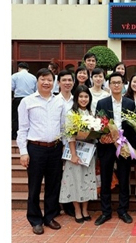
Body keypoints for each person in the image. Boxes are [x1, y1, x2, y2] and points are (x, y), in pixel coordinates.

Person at [16, 68, 66, 235]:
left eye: (49, 80)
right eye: (43, 79)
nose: (46, 82)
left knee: (53, 185)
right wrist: (23, 151)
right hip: (35, 148)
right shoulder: (27, 101)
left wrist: (65, 148)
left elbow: (63, 126)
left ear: (54, 82)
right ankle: (35, 219)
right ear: (37, 81)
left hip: (55, 148)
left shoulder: (59, 101)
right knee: (35, 185)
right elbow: (22, 129)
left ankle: (50, 216)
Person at [94, 72, 136, 226]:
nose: (116, 85)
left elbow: (132, 126)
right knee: (106, 178)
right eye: (113, 82)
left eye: (119, 82)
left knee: (124, 177)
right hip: (107, 146)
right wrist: (106, 137)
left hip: (124, 145)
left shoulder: (129, 103)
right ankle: (106, 212)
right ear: (109, 85)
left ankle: (123, 210)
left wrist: (135, 146)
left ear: (123, 85)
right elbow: (99, 125)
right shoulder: (102, 103)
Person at [59, 85, 97, 223]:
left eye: (86, 96)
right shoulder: (71, 114)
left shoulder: (92, 114)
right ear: (76, 98)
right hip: (75, 152)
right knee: (75, 180)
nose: (83, 99)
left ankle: (85, 209)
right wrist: (74, 154)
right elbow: (70, 135)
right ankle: (77, 210)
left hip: (89, 152)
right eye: (81, 96)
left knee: (87, 180)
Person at [55, 69, 77, 218]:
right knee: (56, 176)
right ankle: (56, 206)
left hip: (73, 144)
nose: (67, 83)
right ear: (59, 83)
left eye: (70, 80)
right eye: (64, 80)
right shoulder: (53, 100)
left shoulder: (77, 99)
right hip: (57, 143)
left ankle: (69, 205)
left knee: (71, 175)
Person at [12, 62, 37, 140]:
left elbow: (11, 88)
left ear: (19, 68)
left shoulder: (15, 76)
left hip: (18, 98)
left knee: (16, 117)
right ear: (28, 69)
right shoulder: (33, 77)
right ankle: (28, 135)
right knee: (30, 118)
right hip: (30, 99)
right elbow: (36, 90)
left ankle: (14, 135)